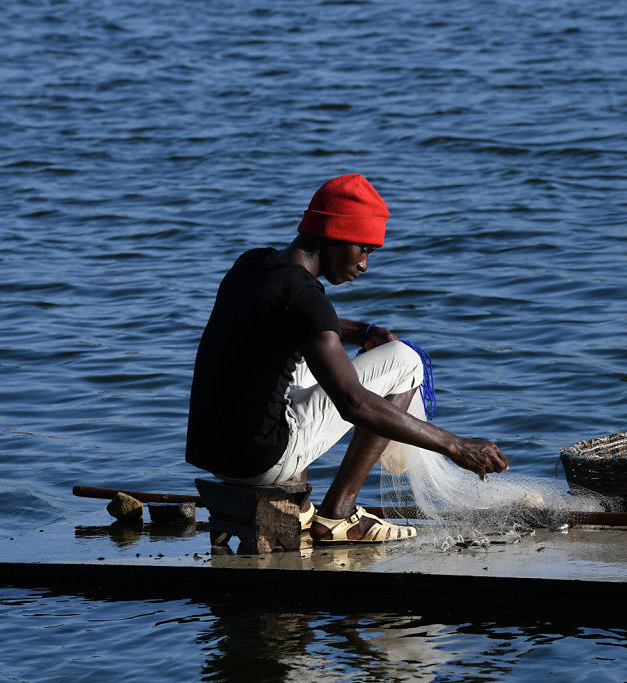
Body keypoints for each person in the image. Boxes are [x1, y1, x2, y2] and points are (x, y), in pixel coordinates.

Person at [185, 174, 508, 543]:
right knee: (406, 361)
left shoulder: (253, 264)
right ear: (335, 236)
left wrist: (362, 331)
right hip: (261, 463)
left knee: (302, 354)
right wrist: (456, 445)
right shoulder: (306, 296)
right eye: (364, 249)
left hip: (217, 454)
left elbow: (293, 318)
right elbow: (353, 404)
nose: (365, 265)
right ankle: (338, 515)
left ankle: (302, 503)